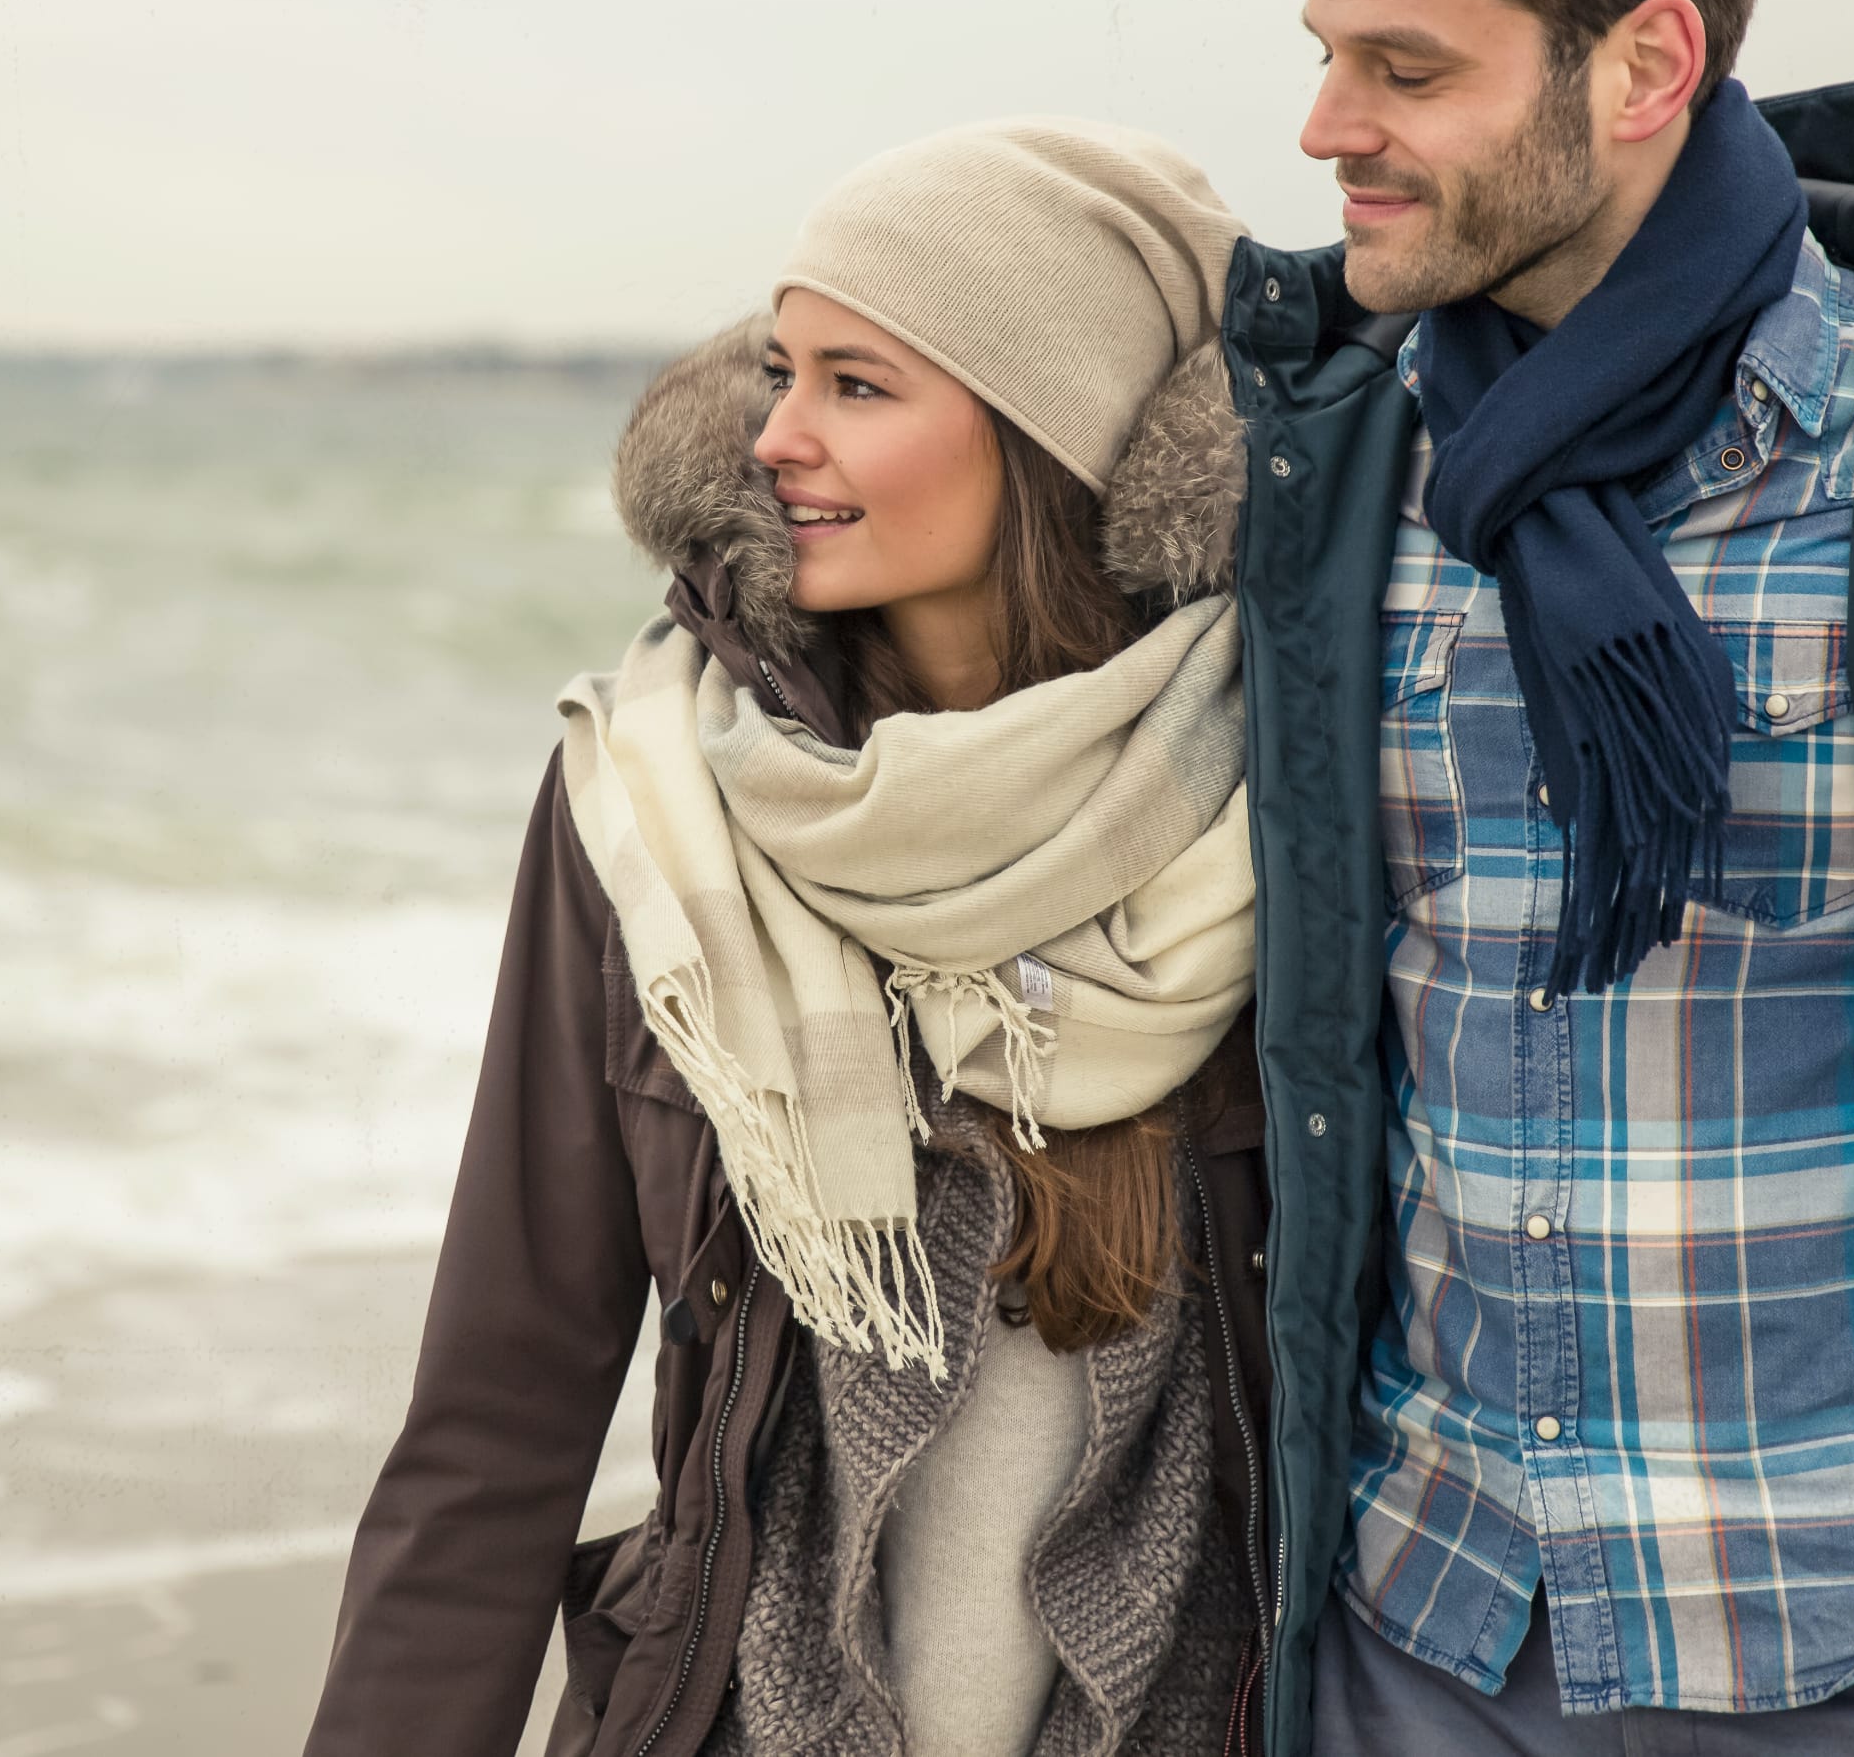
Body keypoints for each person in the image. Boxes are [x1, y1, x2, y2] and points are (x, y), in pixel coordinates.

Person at [302, 121, 1280, 1757]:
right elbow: (496, 1417)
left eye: (856, 384)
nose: (773, 439)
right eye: (778, 373)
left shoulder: (1284, 807)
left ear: (1053, 430)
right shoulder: (653, 809)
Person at [1225, 0, 1854, 1757]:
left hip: (1811, 1640)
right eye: (1330, 50)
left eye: (1409, 70)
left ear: (1647, 67)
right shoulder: (1334, 467)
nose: (1329, 125)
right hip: (1415, 1624)